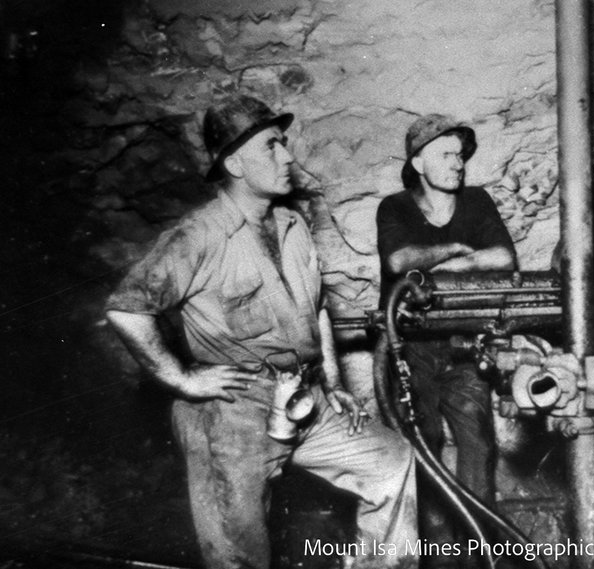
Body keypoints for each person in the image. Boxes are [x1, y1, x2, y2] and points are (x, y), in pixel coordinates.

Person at [105, 95, 418, 569]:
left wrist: (332, 384)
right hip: (232, 409)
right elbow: (127, 310)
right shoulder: (198, 236)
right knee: (240, 552)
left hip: (302, 395)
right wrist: (182, 379)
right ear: (234, 162)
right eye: (272, 146)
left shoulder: (292, 224)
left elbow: (317, 312)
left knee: (392, 464)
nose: (287, 156)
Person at [376, 114, 516, 568]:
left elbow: (503, 257)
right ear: (418, 162)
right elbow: (400, 260)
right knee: (423, 449)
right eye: (446, 154)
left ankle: (479, 560)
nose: (457, 163)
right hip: (408, 347)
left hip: (463, 342)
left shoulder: (476, 202)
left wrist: (440, 268)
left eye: (460, 154)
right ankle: (438, 562)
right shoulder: (394, 207)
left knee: (478, 443)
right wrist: (457, 250)